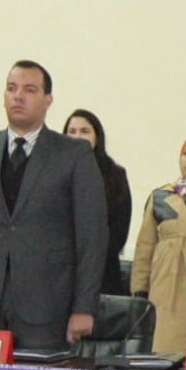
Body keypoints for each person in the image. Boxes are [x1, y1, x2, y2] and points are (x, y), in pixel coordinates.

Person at [0, 60, 107, 349]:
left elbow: (92, 236)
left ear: (47, 100)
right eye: (12, 89)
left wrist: (84, 307)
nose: (18, 96)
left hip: (47, 303)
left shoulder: (73, 154)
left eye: (29, 90)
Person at [131, 136, 186, 353]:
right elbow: (144, 248)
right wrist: (139, 291)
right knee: (163, 348)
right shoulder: (160, 197)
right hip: (165, 285)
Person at [63, 109, 132, 296]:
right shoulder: (52, 173)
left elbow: (119, 230)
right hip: (59, 269)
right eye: (72, 131)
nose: (78, 137)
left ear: (97, 137)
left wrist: (90, 256)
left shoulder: (115, 175)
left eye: (85, 131)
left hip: (102, 271)